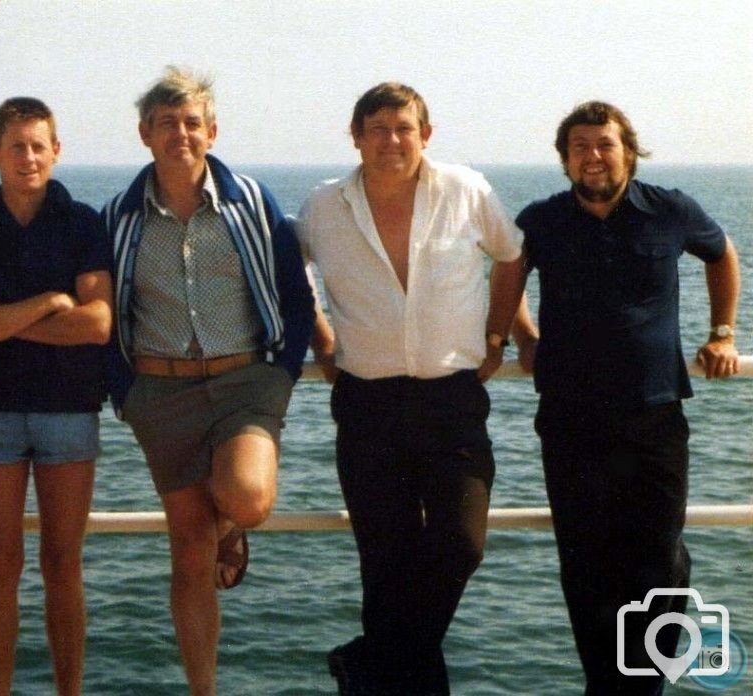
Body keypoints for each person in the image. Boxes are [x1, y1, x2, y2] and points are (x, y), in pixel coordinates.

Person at [296, 82, 527, 695]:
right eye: (377, 128)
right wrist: (321, 336)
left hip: (451, 400)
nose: (391, 141)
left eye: (404, 128)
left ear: (426, 134)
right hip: (367, 404)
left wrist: (501, 335)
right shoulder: (325, 206)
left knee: (459, 545)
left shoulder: (466, 190)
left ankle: (367, 660)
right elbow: (289, 269)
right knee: (387, 569)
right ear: (356, 136)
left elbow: (511, 256)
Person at [511, 101, 741, 695]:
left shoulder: (670, 211)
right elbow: (506, 268)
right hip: (569, 419)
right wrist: (519, 334)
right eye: (580, 146)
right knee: (586, 566)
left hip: (655, 415)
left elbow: (723, 254)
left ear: (629, 152)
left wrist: (723, 332)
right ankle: (606, 687)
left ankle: (645, 684)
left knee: (660, 558)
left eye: (605, 144)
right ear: (565, 160)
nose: (593, 156)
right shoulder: (541, 221)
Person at [102, 66, 314, 695]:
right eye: (167, 124)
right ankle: (204, 689)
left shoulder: (250, 201)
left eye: (192, 123)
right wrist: (126, 394)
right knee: (189, 556)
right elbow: (110, 306)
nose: (180, 135)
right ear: (146, 134)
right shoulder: (120, 215)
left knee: (247, 496)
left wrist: (284, 374)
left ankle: (234, 526)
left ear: (212, 131)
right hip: (160, 395)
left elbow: (294, 293)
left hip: (246, 380)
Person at [0, 97, 112, 695]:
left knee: (63, 566)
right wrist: (46, 303)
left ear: (56, 151)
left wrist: (1, 316)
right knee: (1, 565)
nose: (29, 157)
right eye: (16, 146)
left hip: (70, 410)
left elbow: (96, 325)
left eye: (39, 145)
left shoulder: (84, 221)